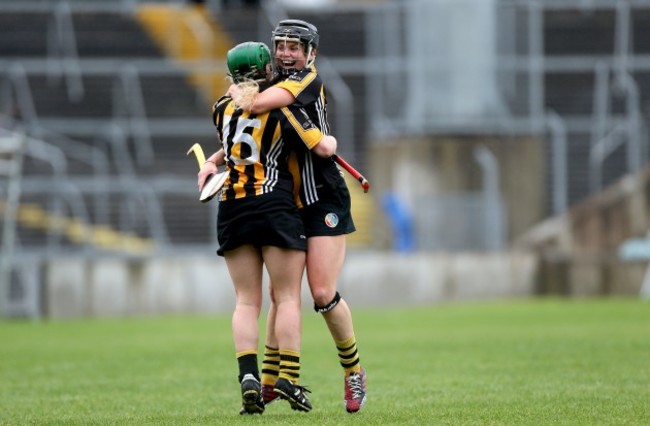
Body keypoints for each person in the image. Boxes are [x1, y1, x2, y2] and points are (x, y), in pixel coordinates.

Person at [228, 19, 367, 413]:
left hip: (322, 197)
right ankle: (270, 383)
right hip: (284, 200)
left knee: (321, 293)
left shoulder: (304, 82)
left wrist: (240, 89)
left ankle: (353, 370)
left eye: (295, 46)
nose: (286, 53)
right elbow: (244, 133)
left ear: (311, 54)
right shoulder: (270, 84)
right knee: (280, 294)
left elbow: (253, 105)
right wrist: (219, 159)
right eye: (281, 45)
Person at [198, 41, 338, 415]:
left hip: (232, 207)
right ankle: (288, 376)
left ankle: (248, 377)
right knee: (288, 296)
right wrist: (331, 140)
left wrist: (211, 164)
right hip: (275, 205)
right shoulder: (282, 107)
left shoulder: (220, 109)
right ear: (267, 70)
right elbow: (320, 147)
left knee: (246, 301)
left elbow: (230, 150)